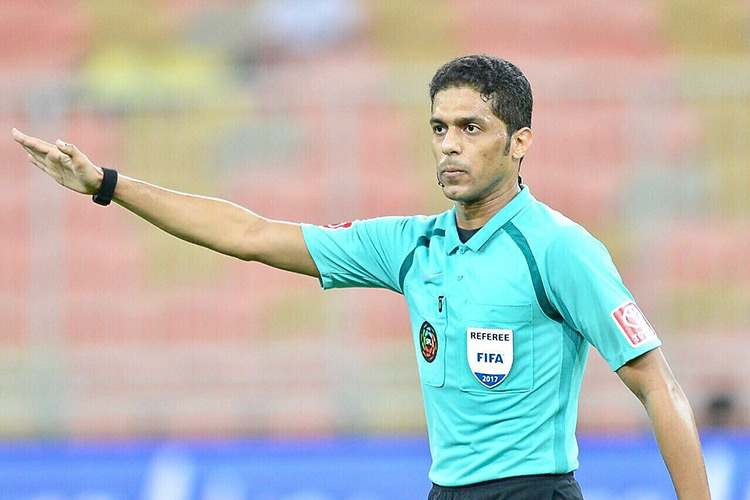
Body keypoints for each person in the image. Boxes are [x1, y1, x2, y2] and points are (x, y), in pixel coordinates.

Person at [12, 55, 711, 500]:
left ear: (519, 141)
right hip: (445, 491)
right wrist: (108, 184)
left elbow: (658, 383)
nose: (449, 146)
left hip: (534, 491)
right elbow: (250, 234)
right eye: (439, 128)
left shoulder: (559, 249)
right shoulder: (412, 246)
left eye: (471, 128)